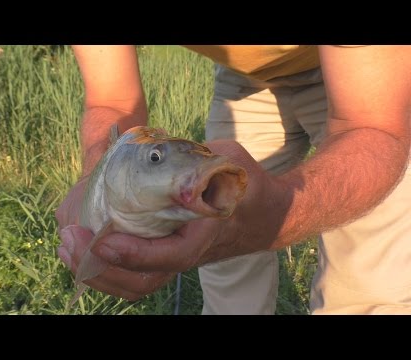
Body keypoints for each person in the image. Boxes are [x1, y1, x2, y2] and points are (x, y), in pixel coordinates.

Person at [55, 45, 411, 315]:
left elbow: (372, 126)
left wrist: (277, 215)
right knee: (226, 272)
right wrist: (97, 181)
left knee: (369, 274)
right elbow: (113, 101)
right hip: (244, 77)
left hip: (368, 74)